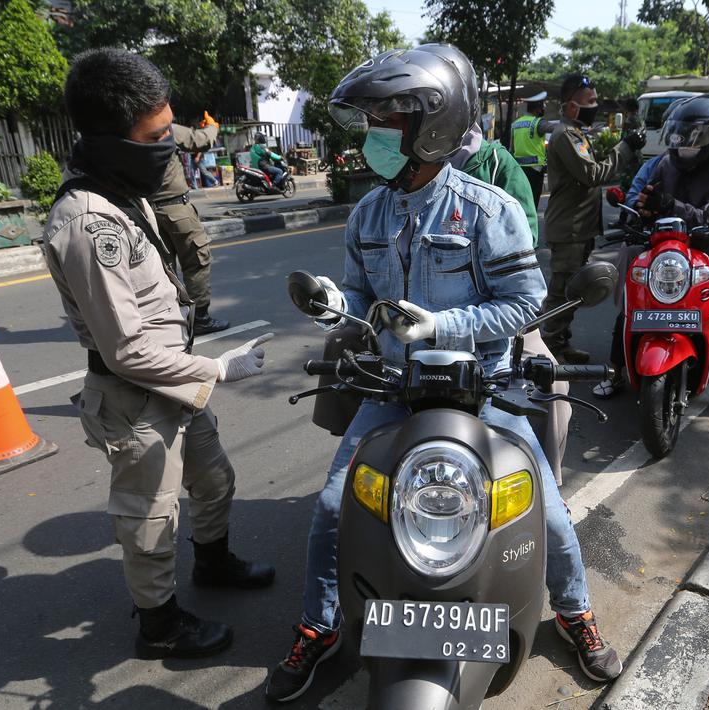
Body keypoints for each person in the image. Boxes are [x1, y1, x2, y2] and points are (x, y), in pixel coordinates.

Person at [264, 44, 623, 703]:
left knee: (544, 510)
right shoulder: (367, 214)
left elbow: (521, 305)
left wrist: (439, 325)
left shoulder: (489, 210)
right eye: (368, 120)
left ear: (429, 124)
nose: (370, 134)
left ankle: (574, 613)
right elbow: (359, 299)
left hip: (481, 388)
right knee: (328, 507)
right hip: (395, 391)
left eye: (383, 119)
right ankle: (317, 628)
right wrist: (330, 305)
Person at [42, 48, 276, 660]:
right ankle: (160, 626)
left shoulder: (127, 193)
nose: (167, 147)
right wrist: (219, 368)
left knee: (215, 478)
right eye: (154, 137)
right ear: (111, 138)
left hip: (176, 387)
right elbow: (125, 352)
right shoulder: (89, 225)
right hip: (135, 399)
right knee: (149, 521)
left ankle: (215, 562)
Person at [595, 95, 709, 425]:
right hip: (659, 240)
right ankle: (615, 371)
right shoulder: (660, 163)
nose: (685, 145)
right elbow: (636, 196)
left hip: (701, 242)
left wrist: (671, 204)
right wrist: (639, 209)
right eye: (680, 136)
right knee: (630, 273)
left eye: (695, 137)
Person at [448, 120, 569, 481]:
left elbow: (523, 240)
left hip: (494, 309)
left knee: (554, 381)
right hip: (421, 320)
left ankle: (548, 483)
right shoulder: (407, 171)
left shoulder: (497, 165)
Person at [542, 74, 642, 363]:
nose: (596, 107)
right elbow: (593, 174)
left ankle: (559, 344)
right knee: (561, 294)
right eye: (591, 102)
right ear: (572, 107)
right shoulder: (566, 136)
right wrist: (624, 148)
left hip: (578, 229)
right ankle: (548, 351)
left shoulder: (576, 132)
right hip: (569, 229)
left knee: (572, 292)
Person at [622, 146, 709, 333]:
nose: (689, 142)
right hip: (662, 232)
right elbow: (643, 195)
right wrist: (644, 206)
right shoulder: (665, 162)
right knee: (629, 249)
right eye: (684, 133)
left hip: (703, 235)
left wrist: (671, 204)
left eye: (697, 134)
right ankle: (627, 312)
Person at [150, 112, 230, 335]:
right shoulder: (162, 127)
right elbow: (200, 140)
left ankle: (168, 317)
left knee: (164, 268)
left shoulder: (129, 133)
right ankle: (200, 318)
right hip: (176, 208)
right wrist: (213, 126)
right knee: (196, 260)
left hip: (147, 212)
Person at [511, 92, 550, 208]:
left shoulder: (516, 124)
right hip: (535, 169)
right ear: (538, 109)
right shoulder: (538, 123)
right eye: (542, 108)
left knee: (522, 202)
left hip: (519, 169)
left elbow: (511, 148)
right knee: (533, 203)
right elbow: (556, 128)